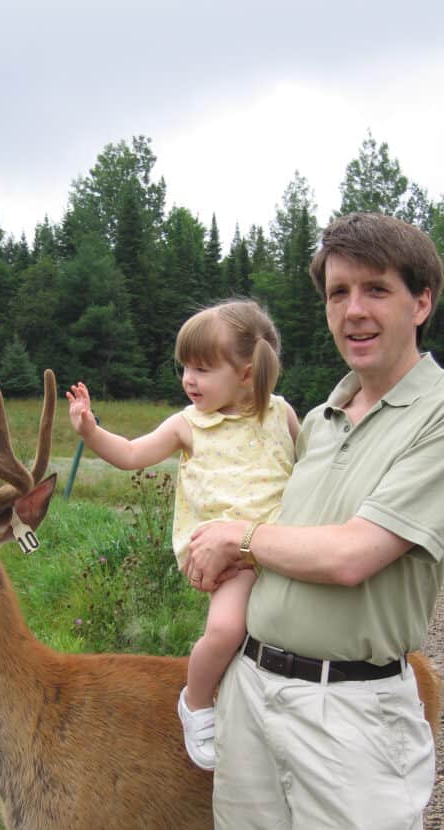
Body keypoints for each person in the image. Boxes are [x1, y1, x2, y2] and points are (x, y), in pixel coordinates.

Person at [184, 213, 444, 830]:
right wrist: (224, 556)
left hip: (353, 709)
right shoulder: (317, 423)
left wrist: (243, 535)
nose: (354, 310)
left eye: (377, 290)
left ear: (421, 301)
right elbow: (289, 543)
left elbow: (358, 552)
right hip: (257, 693)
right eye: (338, 292)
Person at [67, 299, 299, 770]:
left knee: (285, 636)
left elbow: (311, 467)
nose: (188, 380)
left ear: (246, 373)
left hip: (282, 548)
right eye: (185, 368)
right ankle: (196, 702)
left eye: (202, 369)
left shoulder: (280, 415)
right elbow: (132, 454)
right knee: (226, 628)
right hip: (229, 560)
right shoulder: (188, 425)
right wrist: (91, 431)